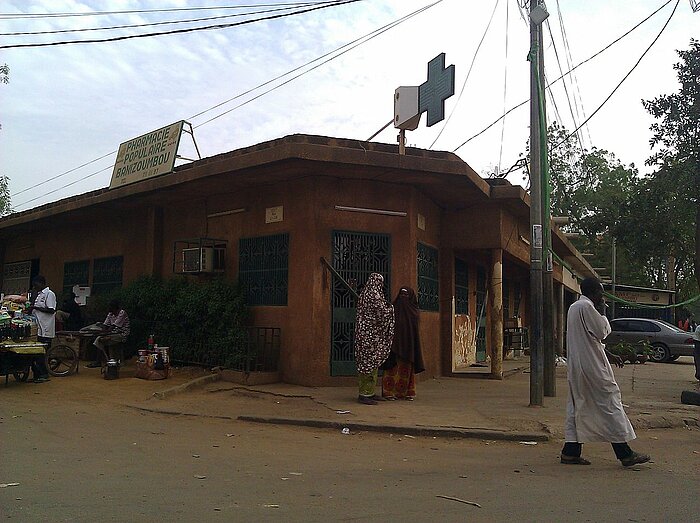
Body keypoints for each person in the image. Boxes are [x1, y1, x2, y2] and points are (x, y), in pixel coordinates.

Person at [561, 277, 650, 467]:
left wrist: (608, 353)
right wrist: (602, 313)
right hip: (592, 368)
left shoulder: (574, 307)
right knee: (610, 404)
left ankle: (570, 451)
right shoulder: (587, 307)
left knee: (579, 405)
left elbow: (590, 339)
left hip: (579, 366)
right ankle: (625, 454)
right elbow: (602, 332)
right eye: (600, 292)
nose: (602, 296)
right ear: (593, 292)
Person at [354, 273, 394, 405]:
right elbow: (382, 312)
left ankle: (369, 392)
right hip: (370, 336)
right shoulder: (374, 295)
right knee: (368, 364)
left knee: (369, 363)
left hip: (363, 335)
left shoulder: (365, 294)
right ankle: (364, 394)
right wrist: (391, 309)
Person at [382, 287, 425, 401]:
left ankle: (407, 393)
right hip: (394, 346)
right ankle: (389, 392)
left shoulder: (414, 311)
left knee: (406, 370)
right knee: (392, 369)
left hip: (408, 346)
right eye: (402, 295)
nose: (403, 298)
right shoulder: (393, 309)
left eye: (406, 296)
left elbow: (414, 330)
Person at [27, 275, 56, 383]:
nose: (35, 287)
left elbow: (51, 310)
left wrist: (35, 307)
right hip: (37, 328)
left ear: (42, 283)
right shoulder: (38, 294)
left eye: (36, 285)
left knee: (41, 354)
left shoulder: (49, 294)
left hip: (46, 329)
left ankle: (44, 374)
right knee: (34, 353)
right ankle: (36, 375)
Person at [86, 300, 130, 368]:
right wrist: (101, 332)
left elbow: (113, 326)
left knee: (101, 339)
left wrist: (104, 333)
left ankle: (103, 361)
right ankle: (104, 361)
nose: (109, 308)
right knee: (99, 338)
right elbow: (105, 325)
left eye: (110, 307)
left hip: (121, 334)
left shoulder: (122, 313)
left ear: (115, 307)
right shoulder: (110, 314)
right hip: (113, 333)